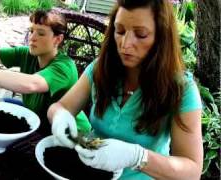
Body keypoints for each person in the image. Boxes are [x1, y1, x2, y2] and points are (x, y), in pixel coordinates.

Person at [47, 0, 203, 179]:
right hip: (88, 171)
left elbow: (192, 172)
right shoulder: (101, 68)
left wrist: (137, 157)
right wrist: (60, 117)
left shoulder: (182, 90)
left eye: (141, 34)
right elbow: (60, 107)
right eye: (119, 31)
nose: (125, 43)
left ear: (161, 37)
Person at [0, 10, 91, 136]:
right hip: (35, 118)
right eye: (31, 31)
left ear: (57, 39)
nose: (32, 38)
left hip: (68, 133)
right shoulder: (27, 54)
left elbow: (32, 84)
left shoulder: (64, 66)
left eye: (41, 33)